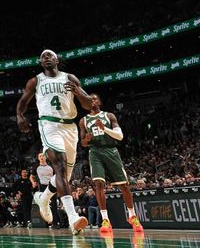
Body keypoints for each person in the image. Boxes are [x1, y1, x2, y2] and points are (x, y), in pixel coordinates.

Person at [16, 49, 93, 235]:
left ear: (57, 59)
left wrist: (77, 92)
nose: (46, 58)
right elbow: (23, 101)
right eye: (43, 56)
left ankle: (43, 198)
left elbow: (89, 104)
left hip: (70, 127)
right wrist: (19, 115)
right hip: (49, 125)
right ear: (41, 62)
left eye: (50, 55)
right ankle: (73, 218)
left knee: (65, 176)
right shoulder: (36, 81)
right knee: (58, 166)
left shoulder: (70, 78)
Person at [79, 93, 144, 233]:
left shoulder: (109, 116)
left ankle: (132, 216)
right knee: (98, 184)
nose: (92, 101)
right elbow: (82, 143)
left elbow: (120, 136)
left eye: (95, 98)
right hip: (95, 152)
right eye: (89, 99)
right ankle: (105, 220)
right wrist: (87, 140)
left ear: (99, 101)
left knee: (124, 185)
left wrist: (104, 129)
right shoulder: (83, 120)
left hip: (111, 150)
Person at [35, 152, 63, 228]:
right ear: (38, 158)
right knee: (44, 205)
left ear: (46, 157)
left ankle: (56, 223)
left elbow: (56, 176)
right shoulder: (36, 167)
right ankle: (47, 223)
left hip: (51, 186)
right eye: (40, 156)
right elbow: (31, 176)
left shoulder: (50, 167)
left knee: (54, 205)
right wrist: (33, 182)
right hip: (42, 187)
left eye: (43, 156)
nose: (41, 157)